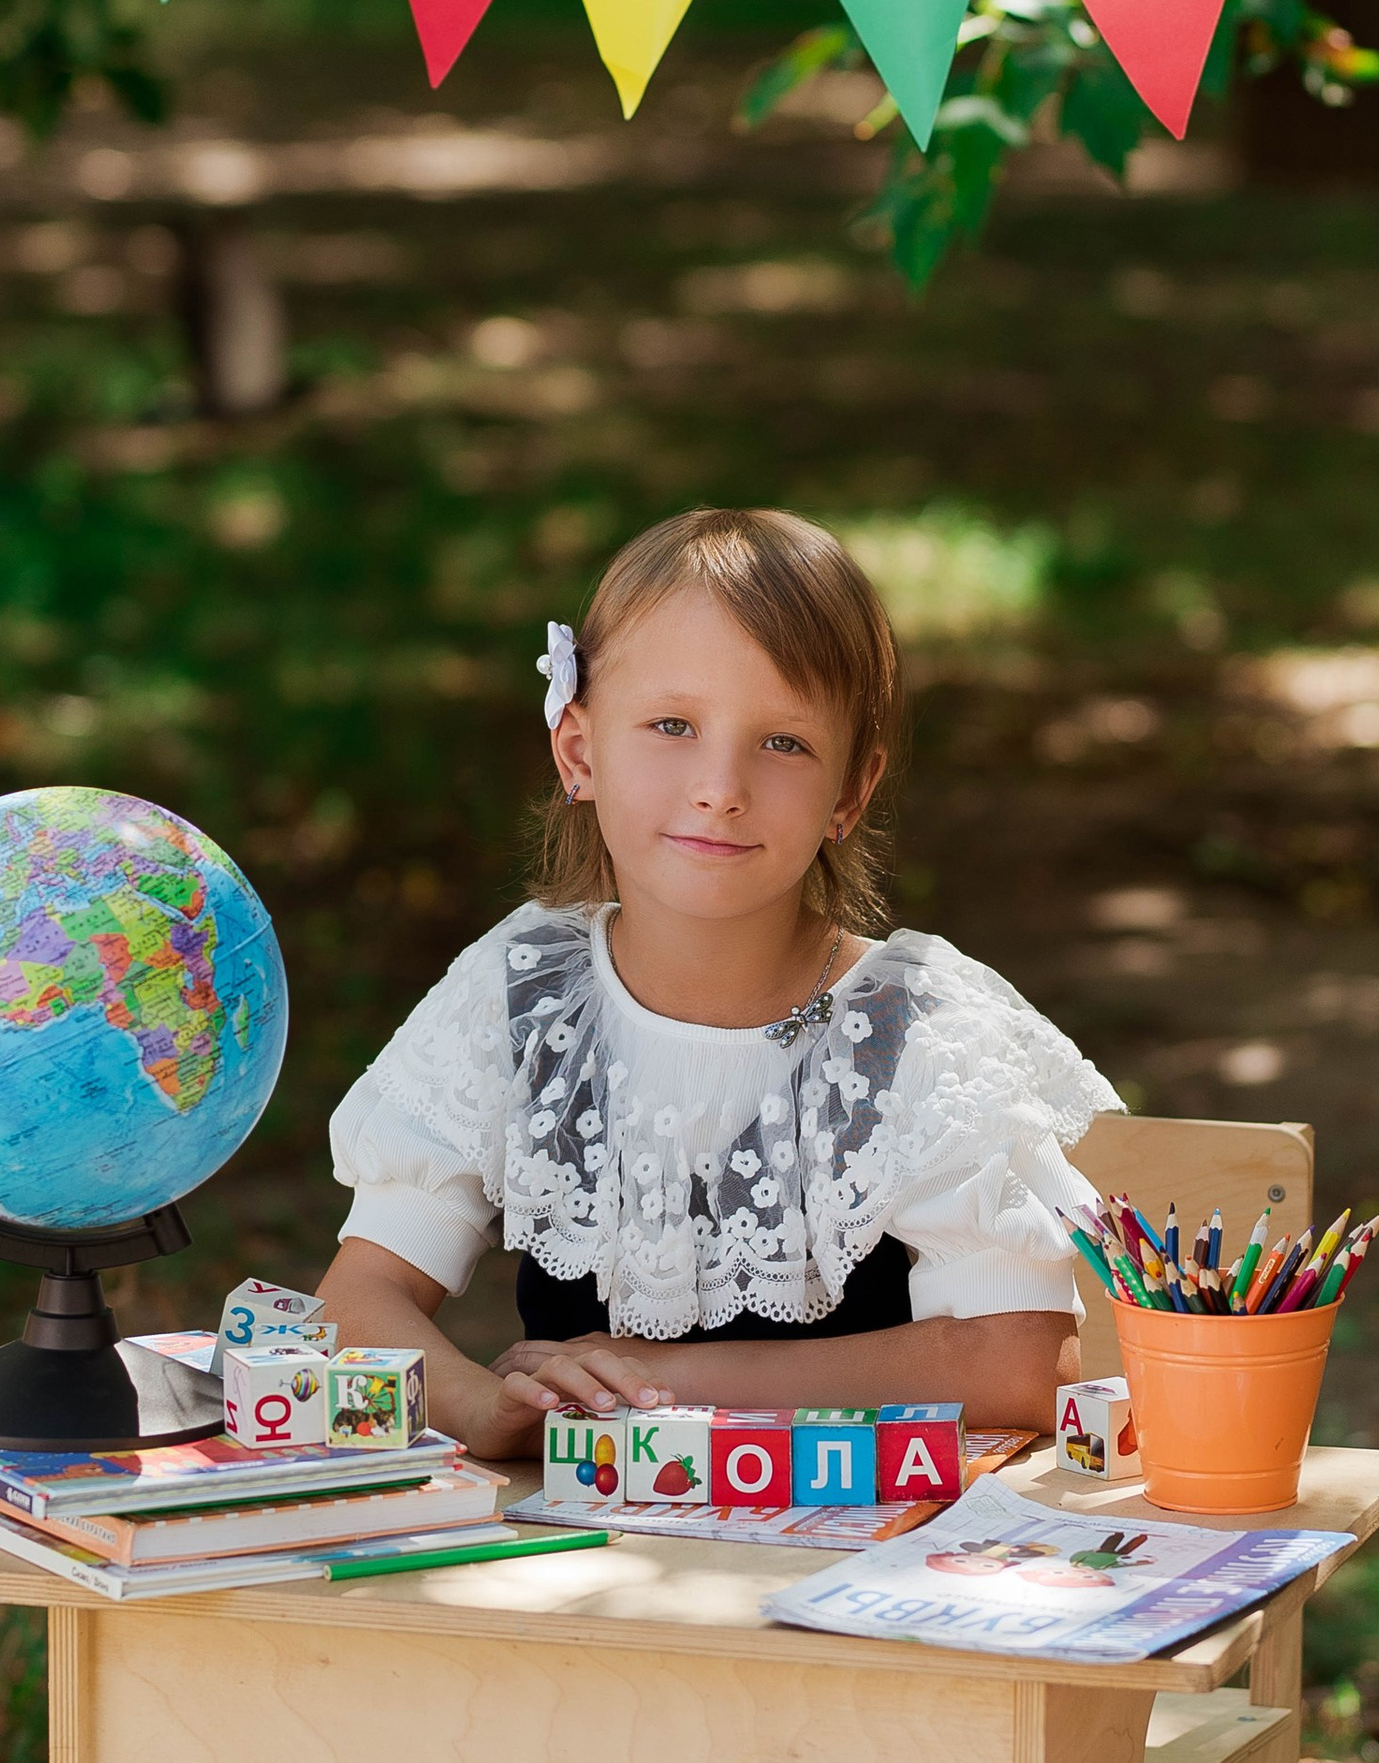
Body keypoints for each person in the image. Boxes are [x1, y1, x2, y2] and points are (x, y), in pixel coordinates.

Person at [316, 502, 1121, 1450]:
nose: (721, 785)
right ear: (578, 750)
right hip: (578, 1567)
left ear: (849, 794)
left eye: (783, 743)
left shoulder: (913, 1029)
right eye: (672, 724)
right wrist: (480, 1406)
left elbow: (1023, 1361)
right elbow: (356, 1302)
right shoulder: (527, 993)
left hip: (854, 1568)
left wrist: (665, 1378)